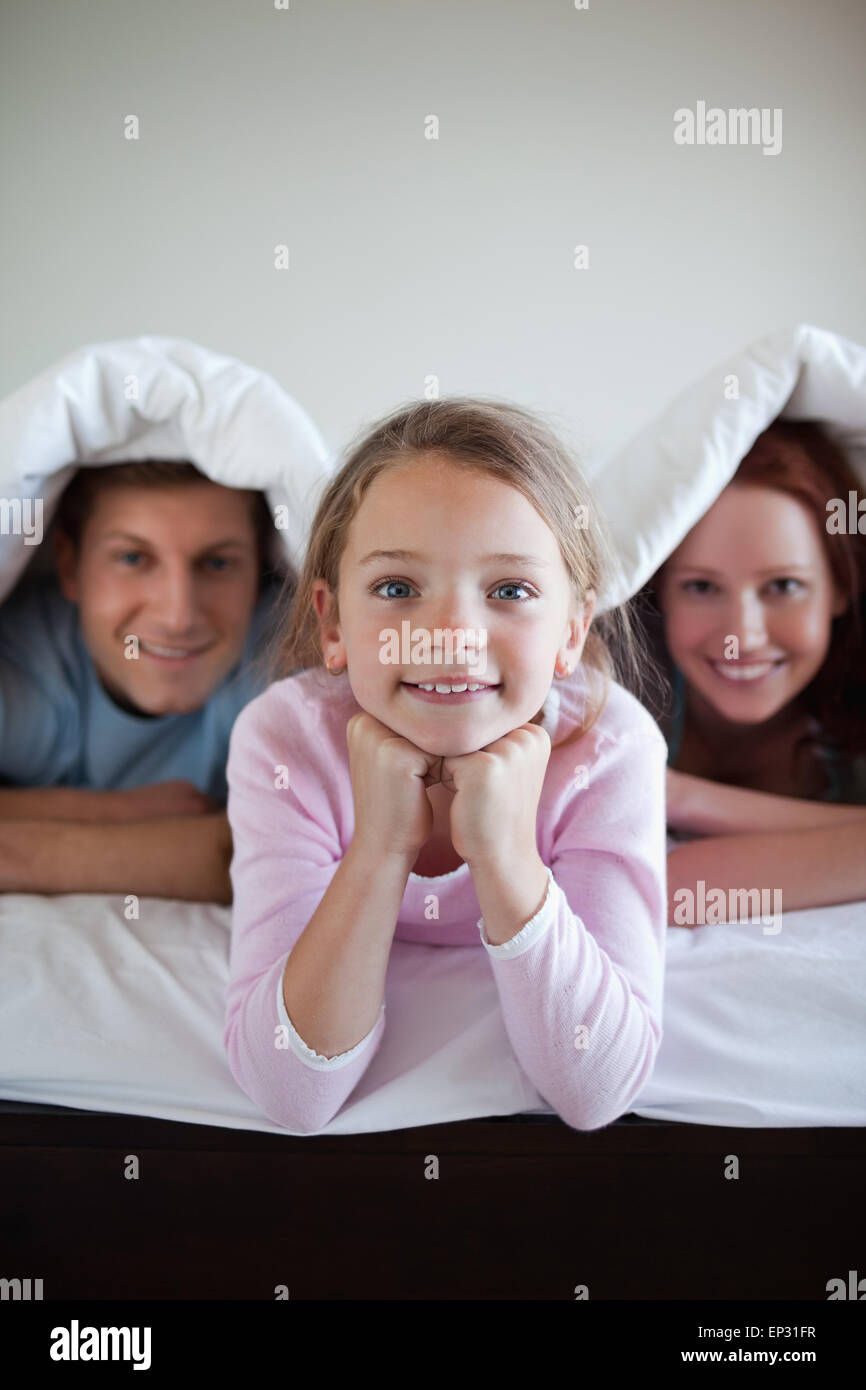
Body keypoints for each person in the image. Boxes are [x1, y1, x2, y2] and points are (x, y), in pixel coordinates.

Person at [223, 397, 667, 1133]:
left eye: (510, 591)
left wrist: (504, 856)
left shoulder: (612, 747)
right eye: (397, 589)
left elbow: (597, 1091)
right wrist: (379, 846)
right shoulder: (283, 741)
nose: (452, 638)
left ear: (570, 631)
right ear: (333, 625)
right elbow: (291, 1095)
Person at [0, 459, 283, 903]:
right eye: (133, 558)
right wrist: (124, 812)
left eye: (217, 563)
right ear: (70, 568)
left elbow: (282, 852)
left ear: (260, 572)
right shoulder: (25, 673)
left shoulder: (277, 661)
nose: (177, 617)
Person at [641, 419, 866, 923]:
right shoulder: (618, 695)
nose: (742, 636)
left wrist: (684, 797)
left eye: (783, 586)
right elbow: (671, 891)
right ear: (662, 594)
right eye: (701, 587)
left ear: (840, 588)